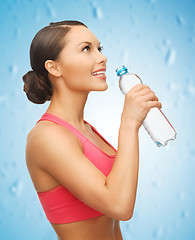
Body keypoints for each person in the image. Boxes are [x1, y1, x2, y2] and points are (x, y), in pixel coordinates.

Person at [22, 20, 162, 240]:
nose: (102, 57)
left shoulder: (86, 129)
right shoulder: (46, 136)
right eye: (86, 49)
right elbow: (120, 206)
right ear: (54, 67)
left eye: (100, 48)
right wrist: (128, 122)